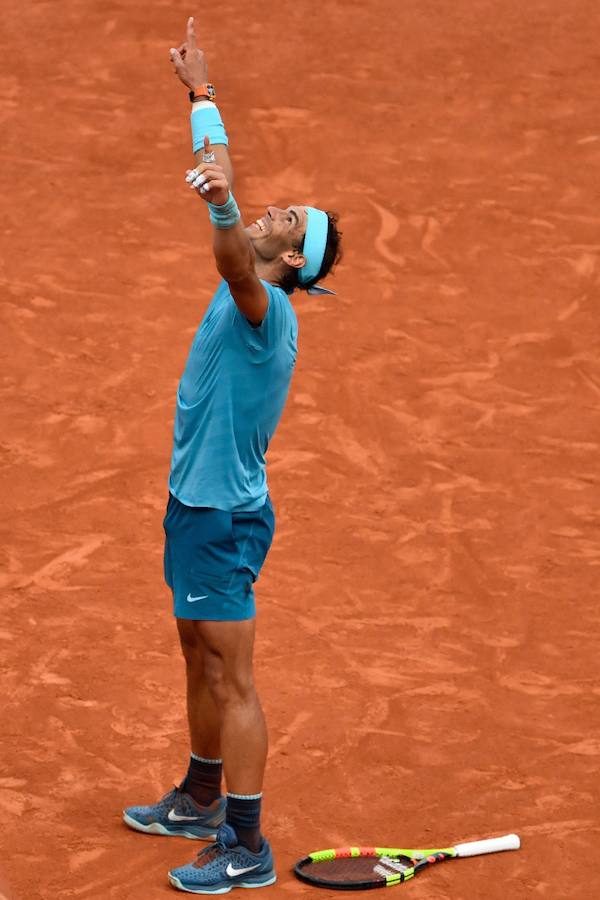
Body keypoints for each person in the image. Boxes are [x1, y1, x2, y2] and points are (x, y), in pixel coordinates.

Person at [123, 15, 342, 895]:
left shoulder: (266, 310)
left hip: (223, 518)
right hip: (194, 504)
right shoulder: (263, 289)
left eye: (281, 219)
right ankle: (200, 795)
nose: (264, 211)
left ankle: (245, 846)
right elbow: (224, 198)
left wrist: (220, 205)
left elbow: (230, 258)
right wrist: (201, 95)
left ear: (292, 260)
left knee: (232, 672)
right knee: (194, 651)